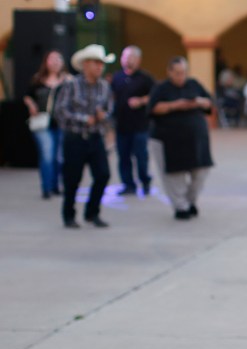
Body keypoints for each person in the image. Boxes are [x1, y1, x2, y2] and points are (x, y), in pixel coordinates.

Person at [53, 44, 115, 229]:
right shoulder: (71, 84)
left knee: (103, 175)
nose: (100, 67)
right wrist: (83, 119)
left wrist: (102, 117)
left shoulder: (104, 87)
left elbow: (109, 110)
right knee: (72, 179)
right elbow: (60, 111)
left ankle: (92, 212)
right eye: (96, 63)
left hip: (96, 137)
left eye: (101, 63)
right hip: (75, 138)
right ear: (86, 64)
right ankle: (69, 215)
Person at [148, 57, 214, 220]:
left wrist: (199, 102)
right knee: (174, 176)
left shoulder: (194, 84)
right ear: (169, 72)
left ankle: (190, 201)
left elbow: (209, 103)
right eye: (177, 73)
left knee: (201, 172)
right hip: (169, 139)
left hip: (196, 139)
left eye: (183, 72)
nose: (180, 76)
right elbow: (153, 109)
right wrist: (175, 105)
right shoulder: (161, 88)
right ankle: (180, 206)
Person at [23, 49, 70, 200]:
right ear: (46, 62)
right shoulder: (38, 79)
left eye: (59, 59)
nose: (56, 62)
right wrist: (31, 105)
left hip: (61, 122)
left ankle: (56, 185)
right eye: (52, 59)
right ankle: (47, 187)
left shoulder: (68, 80)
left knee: (60, 157)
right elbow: (27, 95)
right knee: (47, 154)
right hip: (42, 122)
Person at [111, 45, 155, 196]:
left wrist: (142, 101)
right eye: (125, 56)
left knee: (141, 157)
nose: (127, 60)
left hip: (140, 125)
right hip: (121, 125)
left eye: (131, 57)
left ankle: (145, 181)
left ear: (138, 60)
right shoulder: (117, 77)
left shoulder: (145, 78)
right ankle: (128, 184)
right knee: (123, 157)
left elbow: (155, 96)